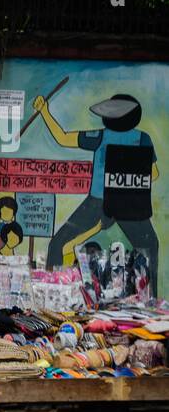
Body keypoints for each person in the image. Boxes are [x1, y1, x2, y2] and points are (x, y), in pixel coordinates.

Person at [35, 92, 159, 294]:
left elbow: (63, 138)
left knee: (58, 243)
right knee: (150, 247)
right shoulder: (143, 138)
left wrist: (44, 112)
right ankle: (150, 298)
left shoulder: (100, 136)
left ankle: (51, 293)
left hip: (97, 203)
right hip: (130, 204)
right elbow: (154, 174)